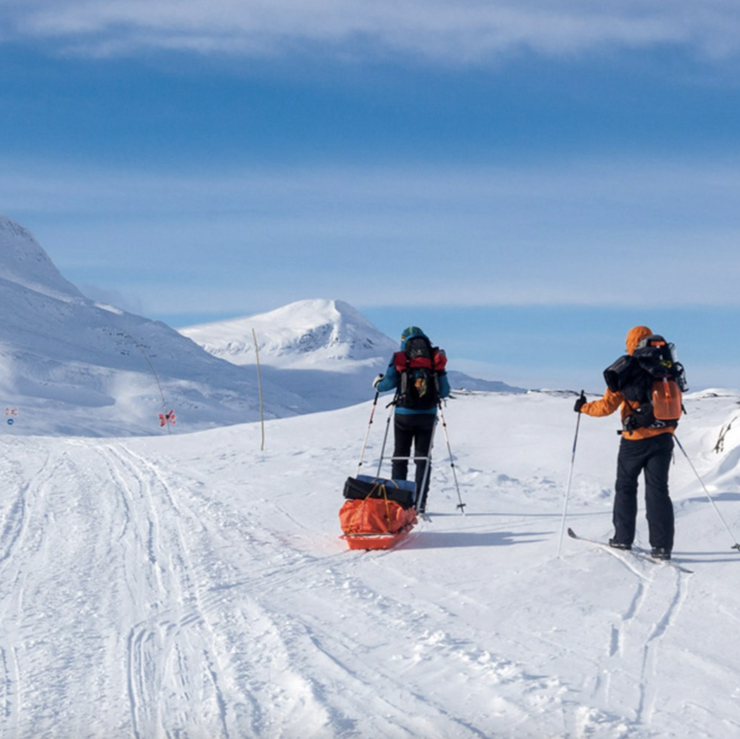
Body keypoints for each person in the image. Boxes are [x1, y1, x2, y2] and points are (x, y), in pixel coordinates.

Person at [574, 325, 677, 560]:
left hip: (635, 440)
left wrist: (583, 407)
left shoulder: (626, 368)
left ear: (631, 343)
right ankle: (662, 547)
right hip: (664, 436)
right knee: (658, 491)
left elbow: (606, 407)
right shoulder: (666, 365)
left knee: (626, 488)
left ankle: (622, 539)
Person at [373, 326, 451, 514]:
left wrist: (377, 383)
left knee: (400, 457)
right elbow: (445, 390)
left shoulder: (401, 358)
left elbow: (387, 385)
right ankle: (420, 504)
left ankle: (397, 501)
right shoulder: (434, 359)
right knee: (422, 458)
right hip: (427, 415)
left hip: (404, 415)